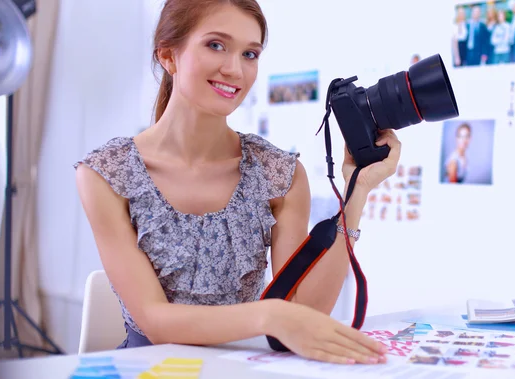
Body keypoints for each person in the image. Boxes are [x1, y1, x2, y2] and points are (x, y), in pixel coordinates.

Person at [74, 0, 401, 365]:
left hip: (242, 369)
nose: (235, 69)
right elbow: (156, 321)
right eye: (216, 45)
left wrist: (356, 192)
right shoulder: (106, 174)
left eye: (250, 54)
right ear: (168, 56)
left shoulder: (279, 173)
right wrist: (270, 316)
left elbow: (307, 310)